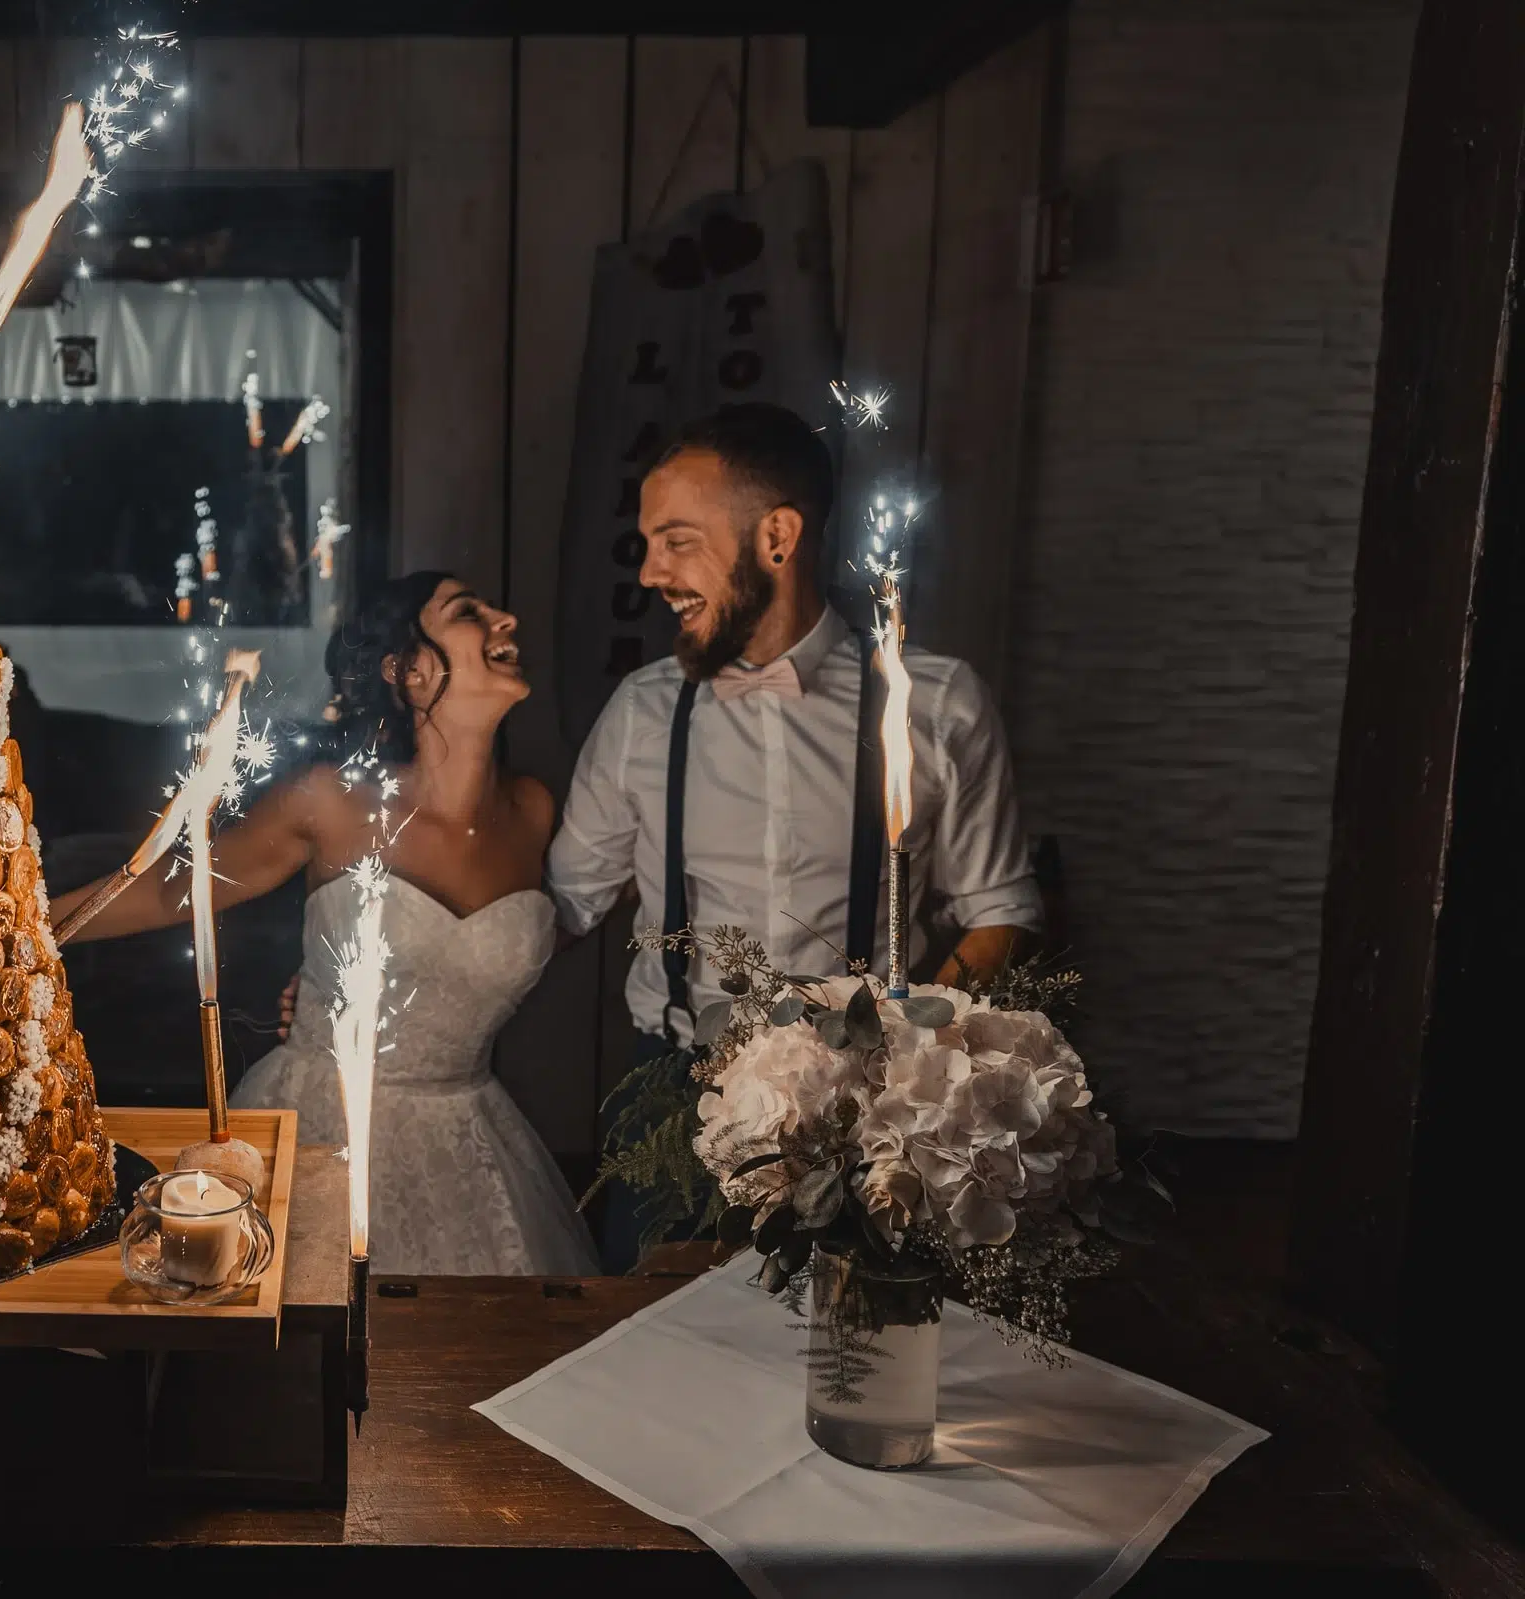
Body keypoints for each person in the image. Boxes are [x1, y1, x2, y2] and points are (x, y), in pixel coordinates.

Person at [548, 402, 1042, 1259]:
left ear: (776, 537)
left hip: (873, 1102)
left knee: (858, 1359)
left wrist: (905, 1048)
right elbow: (560, 908)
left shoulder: (938, 704)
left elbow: (999, 910)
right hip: (677, 1095)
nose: (650, 572)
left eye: (676, 540)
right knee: (649, 1360)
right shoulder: (641, 713)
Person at [51, 573, 601, 1276]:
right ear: (405, 670)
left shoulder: (533, 811)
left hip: (475, 1141)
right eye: (470, 613)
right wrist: (18, 932)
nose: (507, 622)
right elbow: (167, 893)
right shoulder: (329, 803)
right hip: (320, 1124)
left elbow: (531, 940)